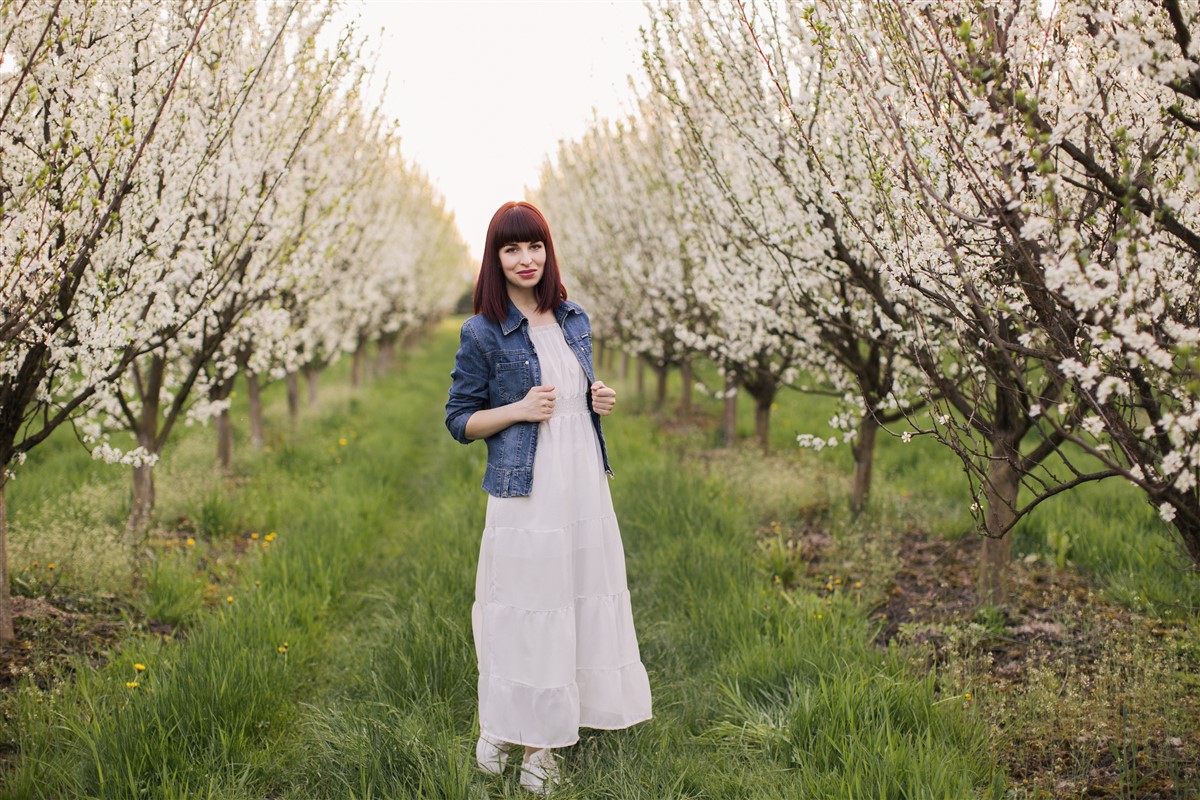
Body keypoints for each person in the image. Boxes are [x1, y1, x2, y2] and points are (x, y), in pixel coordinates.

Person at [445, 201, 653, 794]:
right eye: (511, 249)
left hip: (581, 478)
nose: (525, 259)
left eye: (533, 246)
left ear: (547, 249)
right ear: (496, 258)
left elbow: (574, 393)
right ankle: (507, 726)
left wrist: (598, 398)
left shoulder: (573, 316)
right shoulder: (481, 331)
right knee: (526, 605)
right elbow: (459, 421)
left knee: (575, 597)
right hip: (527, 486)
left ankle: (545, 743)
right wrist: (516, 411)